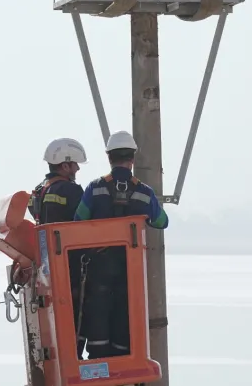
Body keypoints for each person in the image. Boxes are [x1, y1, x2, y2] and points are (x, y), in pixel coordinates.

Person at [73, 130, 169, 359]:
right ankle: (123, 361)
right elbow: (161, 221)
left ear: (109, 157)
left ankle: (98, 359)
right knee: (125, 313)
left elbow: (78, 222)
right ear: (132, 158)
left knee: (98, 311)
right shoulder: (144, 193)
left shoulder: (95, 188)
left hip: (98, 267)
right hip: (131, 271)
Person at [27, 137, 88, 360]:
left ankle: (64, 356)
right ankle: (74, 357)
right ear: (64, 165)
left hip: (49, 265)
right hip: (71, 264)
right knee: (78, 314)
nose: (78, 168)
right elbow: (86, 223)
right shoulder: (70, 191)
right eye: (75, 165)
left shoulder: (39, 191)